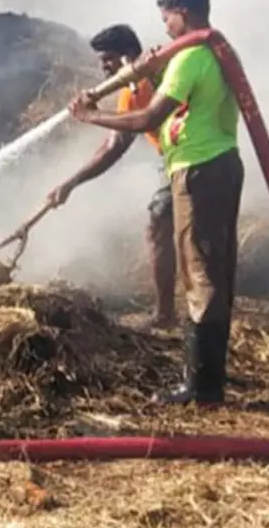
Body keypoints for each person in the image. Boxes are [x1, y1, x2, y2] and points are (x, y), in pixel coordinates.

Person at [68, 0, 242, 405]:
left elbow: (148, 119)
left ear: (183, 13)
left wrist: (90, 116)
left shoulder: (192, 56)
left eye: (167, 18)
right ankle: (209, 379)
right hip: (214, 164)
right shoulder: (210, 52)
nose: (164, 28)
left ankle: (202, 388)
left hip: (198, 168)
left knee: (200, 273)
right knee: (212, 270)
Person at [46, 24, 176, 330]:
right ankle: (169, 313)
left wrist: (91, 115)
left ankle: (166, 316)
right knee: (162, 227)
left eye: (108, 59)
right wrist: (71, 183)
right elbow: (113, 147)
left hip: (191, 156)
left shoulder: (157, 74)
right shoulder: (129, 94)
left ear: (128, 55)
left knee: (161, 227)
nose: (104, 67)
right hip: (171, 162)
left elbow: (146, 121)